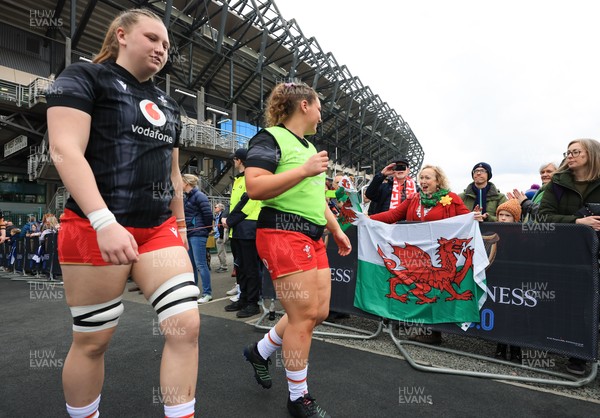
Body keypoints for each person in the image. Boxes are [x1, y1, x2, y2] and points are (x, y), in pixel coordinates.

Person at [46, 8, 200, 417]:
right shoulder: (83, 76)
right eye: (152, 38)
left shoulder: (168, 103)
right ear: (122, 36)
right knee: (93, 341)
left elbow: (172, 171)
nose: (161, 49)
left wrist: (181, 225)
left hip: (157, 229)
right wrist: (104, 221)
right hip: (93, 226)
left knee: (185, 326)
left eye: (166, 45)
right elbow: (64, 149)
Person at [242, 81, 351, 418]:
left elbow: (316, 199)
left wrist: (336, 229)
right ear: (304, 105)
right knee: (303, 317)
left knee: (315, 313)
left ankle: (260, 351)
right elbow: (255, 185)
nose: (322, 114)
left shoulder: (309, 148)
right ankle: (298, 397)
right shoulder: (269, 138)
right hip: (282, 232)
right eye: (319, 106)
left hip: (313, 236)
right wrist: (304, 170)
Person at [369, 164, 478, 344]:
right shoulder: (414, 199)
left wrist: (477, 217)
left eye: (428, 178)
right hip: (419, 258)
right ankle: (421, 329)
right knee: (419, 288)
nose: (423, 181)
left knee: (437, 290)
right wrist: (367, 219)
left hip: (438, 257)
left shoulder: (451, 199)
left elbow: (466, 218)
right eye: (422, 178)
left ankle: (435, 332)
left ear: (438, 181)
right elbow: (392, 215)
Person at [538, 138, 600, 376]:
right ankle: (566, 351)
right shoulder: (557, 184)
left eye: (576, 152)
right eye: (568, 152)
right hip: (563, 255)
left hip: (594, 255)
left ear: (591, 154)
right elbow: (543, 217)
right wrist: (577, 222)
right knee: (565, 303)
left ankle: (583, 355)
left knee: (590, 307)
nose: (570, 155)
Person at [224, 148, 263, 318]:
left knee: (250, 268)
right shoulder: (239, 179)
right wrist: (226, 217)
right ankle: (243, 298)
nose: (234, 162)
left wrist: (229, 220)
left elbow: (250, 202)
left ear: (239, 160)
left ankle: (252, 303)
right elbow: (234, 204)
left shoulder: (251, 178)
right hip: (238, 230)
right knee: (240, 268)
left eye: (235, 159)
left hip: (248, 229)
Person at [493, 199, 522, 361]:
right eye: (501, 215)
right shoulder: (494, 232)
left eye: (508, 215)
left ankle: (516, 347)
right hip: (500, 279)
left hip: (516, 280)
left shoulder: (522, 236)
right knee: (501, 312)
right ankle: (501, 345)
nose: (503, 218)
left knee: (516, 313)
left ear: (515, 218)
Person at [182, 174, 214, 303]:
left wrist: (205, 229)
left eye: (181, 181)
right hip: (191, 232)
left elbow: (208, 214)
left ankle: (207, 293)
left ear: (186, 182)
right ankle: (194, 291)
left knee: (201, 264)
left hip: (198, 233)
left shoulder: (199, 196)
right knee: (192, 265)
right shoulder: (187, 197)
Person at [213, 203, 228, 272]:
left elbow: (223, 226)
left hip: (220, 236)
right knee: (219, 252)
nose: (214, 208)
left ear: (220, 208)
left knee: (221, 252)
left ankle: (224, 266)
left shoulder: (222, 215)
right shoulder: (217, 215)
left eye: (216, 207)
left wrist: (221, 236)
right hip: (217, 235)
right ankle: (222, 265)